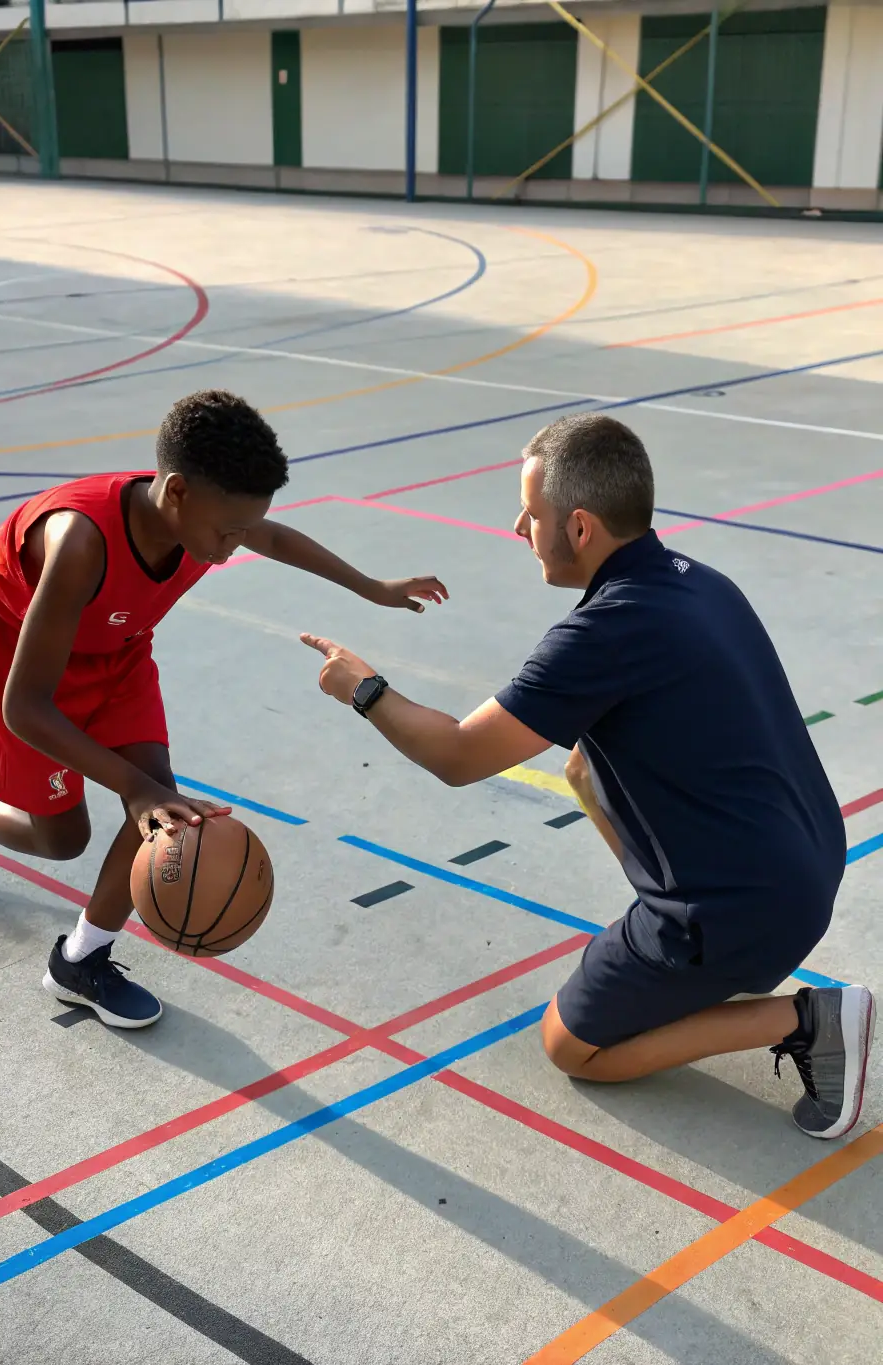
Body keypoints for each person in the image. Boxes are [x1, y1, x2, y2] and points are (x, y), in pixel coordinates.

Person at [301, 412, 874, 1141]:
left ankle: (809, 1018)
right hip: (810, 861)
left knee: (572, 1046)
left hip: (742, 907)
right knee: (582, 769)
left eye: (530, 513)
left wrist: (364, 689)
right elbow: (591, 761)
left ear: (578, 528)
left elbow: (457, 756)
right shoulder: (702, 583)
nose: (518, 527)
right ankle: (692, 942)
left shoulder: (602, 634)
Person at [0, 389, 447, 1029]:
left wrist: (371, 587)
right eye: (226, 532)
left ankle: (79, 960)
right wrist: (134, 788)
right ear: (175, 492)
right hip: (21, 641)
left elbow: (274, 537)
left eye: (243, 530)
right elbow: (25, 707)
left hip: (118, 645)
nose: (234, 546)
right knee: (63, 838)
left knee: (162, 801)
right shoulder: (80, 542)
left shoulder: (209, 516)